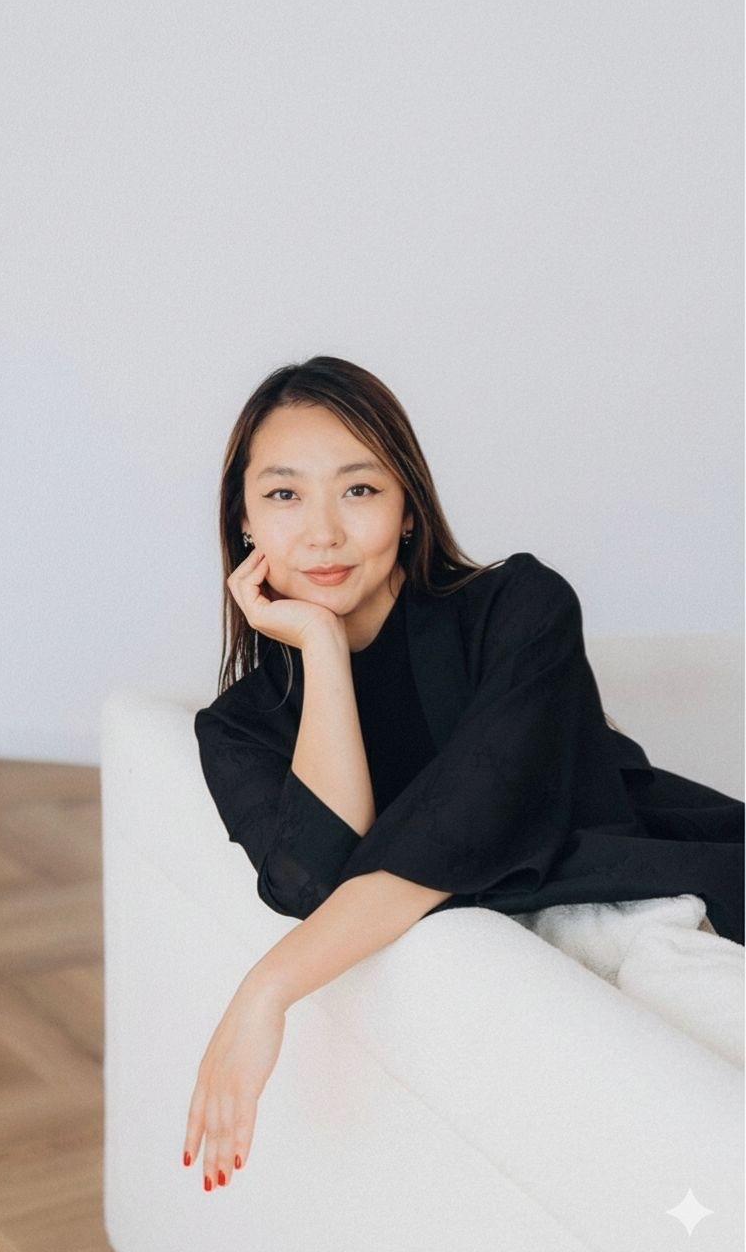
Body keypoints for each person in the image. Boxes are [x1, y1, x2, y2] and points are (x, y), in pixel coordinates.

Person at [183, 355, 744, 1195]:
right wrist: (324, 652)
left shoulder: (521, 606)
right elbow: (316, 881)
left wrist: (266, 988)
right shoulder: (238, 726)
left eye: (359, 489)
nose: (323, 532)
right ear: (245, 520)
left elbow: (466, 822)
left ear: (408, 507)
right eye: (285, 495)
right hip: (513, 981)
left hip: (639, 908)